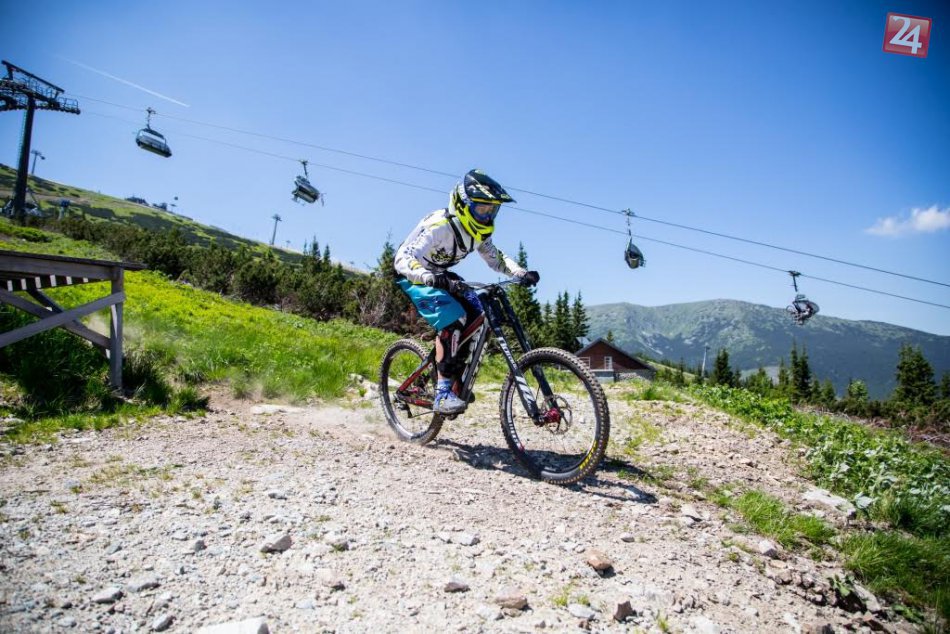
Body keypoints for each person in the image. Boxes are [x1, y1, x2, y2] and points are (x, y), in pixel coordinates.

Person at [394, 169, 540, 414]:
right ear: (463, 204)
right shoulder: (438, 225)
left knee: (477, 316)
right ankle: (441, 395)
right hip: (414, 275)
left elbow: (496, 259)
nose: (487, 215)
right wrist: (429, 277)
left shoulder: (479, 233)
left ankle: (452, 380)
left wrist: (520, 273)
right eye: (482, 209)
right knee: (453, 319)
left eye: (492, 210)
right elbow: (402, 258)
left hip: (441, 274)